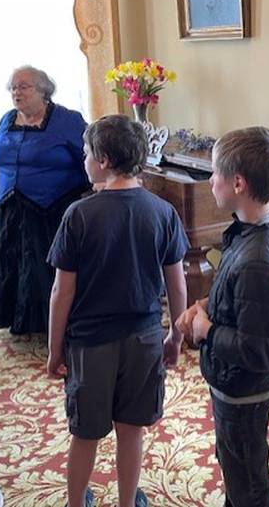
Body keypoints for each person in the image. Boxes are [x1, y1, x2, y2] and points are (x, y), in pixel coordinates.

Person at [46, 115, 188, 507]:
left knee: (86, 432)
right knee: (131, 430)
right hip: (144, 339)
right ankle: (127, 502)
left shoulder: (79, 214)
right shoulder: (163, 212)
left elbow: (62, 290)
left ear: (104, 160)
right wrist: (175, 337)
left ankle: (77, 502)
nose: (84, 160)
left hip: (90, 344)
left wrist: (55, 348)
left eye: (87, 153)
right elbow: (176, 285)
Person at [176, 127, 269, 507]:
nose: (210, 181)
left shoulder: (257, 262)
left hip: (243, 388)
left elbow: (256, 349)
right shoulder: (264, 224)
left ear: (238, 183)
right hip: (240, 384)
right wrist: (209, 305)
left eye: (215, 173)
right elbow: (243, 300)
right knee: (235, 461)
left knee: (245, 474)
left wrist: (205, 329)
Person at [0, 66, 90, 335]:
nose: (16, 92)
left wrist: (104, 181)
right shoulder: (7, 120)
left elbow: (90, 153)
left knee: (45, 270)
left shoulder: (67, 120)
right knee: (12, 267)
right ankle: (18, 320)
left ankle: (53, 324)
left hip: (52, 211)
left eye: (24, 86)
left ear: (43, 91)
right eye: (13, 87)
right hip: (10, 210)